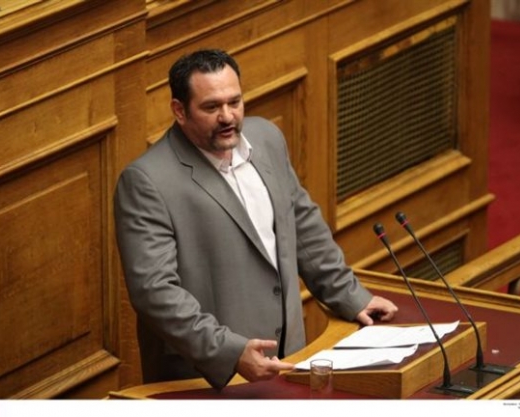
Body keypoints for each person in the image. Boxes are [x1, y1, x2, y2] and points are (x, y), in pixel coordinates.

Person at [113, 48, 398, 390]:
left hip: (290, 358)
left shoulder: (266, 138)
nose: (227, 116)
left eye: (234, 102)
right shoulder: (147, 181)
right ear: (179, 110)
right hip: (208, 380)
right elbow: (155, 292)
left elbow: (301, 224)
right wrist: (230, 352)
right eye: (211, 107)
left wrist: (350, 295)